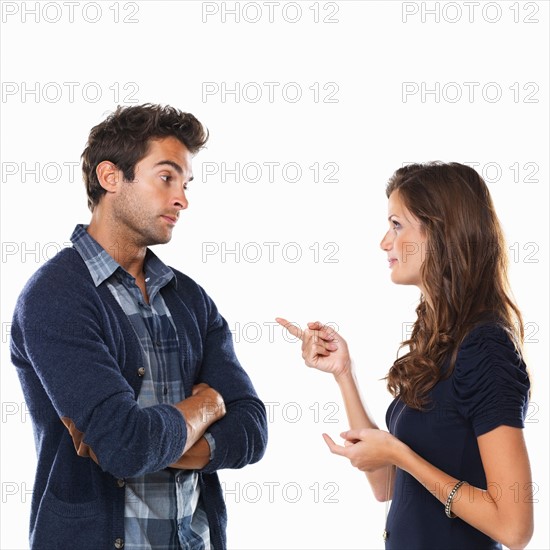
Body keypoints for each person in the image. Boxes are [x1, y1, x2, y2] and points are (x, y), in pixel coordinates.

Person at [10, 104, 268, 550]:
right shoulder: (55, 297)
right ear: (111, 177)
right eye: (166, 177)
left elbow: (252, 428)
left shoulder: (189, 299)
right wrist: (207, 406)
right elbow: (125, 446)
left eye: (185, 184)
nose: (182, 199)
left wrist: (150, 443)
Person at [277, 162, 533, 549]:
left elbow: (515, 528)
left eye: (396, 225)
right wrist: (343, 373)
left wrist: (402, 455)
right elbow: (387, 485)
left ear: (440, 233)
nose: (384, 241)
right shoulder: (440, 339)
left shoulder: (485, 348)